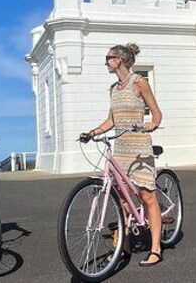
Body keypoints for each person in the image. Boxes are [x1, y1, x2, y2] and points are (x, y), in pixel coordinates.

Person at [81, 43, 164, 267]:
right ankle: (123, 248)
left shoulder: (139, 82)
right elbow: (112, 120)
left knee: (147, 197)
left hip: (139, 146)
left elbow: (156, 112)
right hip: (121, 148)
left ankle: (156, 247)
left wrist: (151, 125)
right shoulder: (113, 89)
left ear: (120, 59)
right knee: (125, 202)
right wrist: (92, 132)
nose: (106, 61)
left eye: (109, 57)